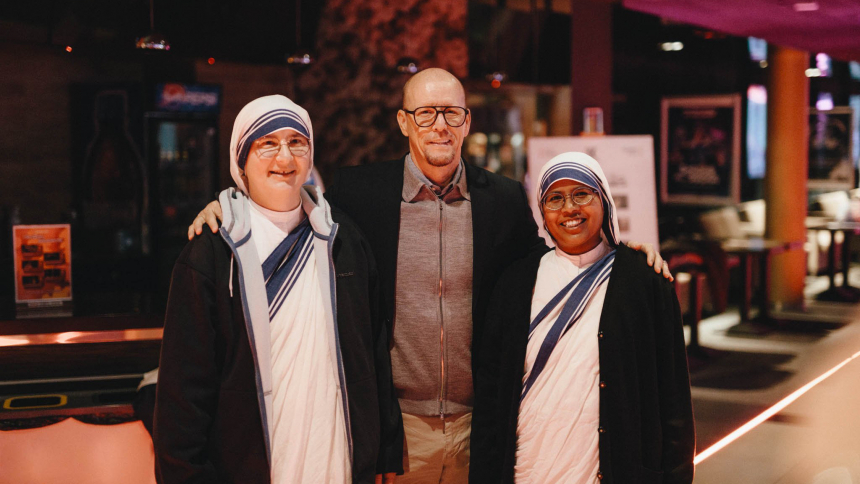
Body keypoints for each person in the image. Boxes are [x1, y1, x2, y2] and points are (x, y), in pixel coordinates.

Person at [188, 69, 672, 483]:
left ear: (466, 121)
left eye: (450, 113)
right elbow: (288, 209)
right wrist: (228, 208)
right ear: (404, 121)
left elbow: (555, 260)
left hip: (478, 425)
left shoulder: (502, 200)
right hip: (398, 428)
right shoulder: (359, 194)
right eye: (425, 113)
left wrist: (622, 252)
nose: (439, 125)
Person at [155, 95, 403, 484]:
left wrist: (384, 451)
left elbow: (374, 353)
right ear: (241, 161)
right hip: (250, 468)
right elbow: (183, 395)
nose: (284, 159)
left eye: (296, 142)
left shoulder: (344, 241)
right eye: (266, 143)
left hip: (335, 460)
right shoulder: (211, 254)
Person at [470, 152, 695, 484]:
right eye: (555, 199)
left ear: (603, 200)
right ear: (543, 216)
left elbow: (672, 399)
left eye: (582, 194)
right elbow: (490, 397)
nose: (569, 209)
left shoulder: (644, 281)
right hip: (529, 469)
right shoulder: (515, 282)